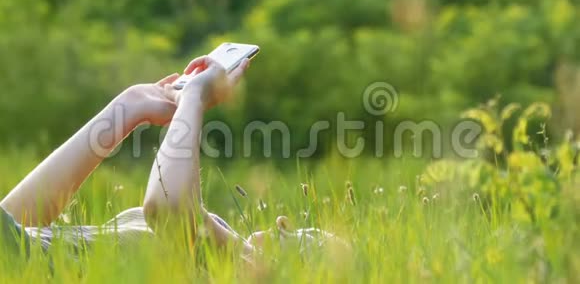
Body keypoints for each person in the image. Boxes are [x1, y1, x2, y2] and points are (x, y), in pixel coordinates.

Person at [0, 56, 343, 263]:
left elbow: (169, 212)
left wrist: (195, 98)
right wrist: (128, 107)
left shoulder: (239, 262)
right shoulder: (216, 241)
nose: (285, 221)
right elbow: (19, 233)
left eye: (313, 240)